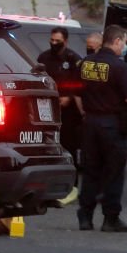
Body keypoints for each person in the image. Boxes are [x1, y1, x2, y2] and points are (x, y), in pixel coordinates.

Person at [77, 25, 127, 232]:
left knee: (90, 170)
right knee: (113, 172)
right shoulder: (120, 68)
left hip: (90, 122)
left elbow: (77, 90)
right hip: (112, 124)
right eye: (125, 42)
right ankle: (110, 219)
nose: (125, 46)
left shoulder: (86, 63)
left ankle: (85, 216)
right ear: (118, 41)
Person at [37, 27, 83, 197]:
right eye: (52, 40)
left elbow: (79, 84)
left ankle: (72, 187)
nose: (54, 43)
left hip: (69, 113)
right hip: (48, 110)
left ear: (65, 41)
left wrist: (69, 97)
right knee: (47, 148)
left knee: (69, 148)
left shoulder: (73, 60)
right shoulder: (44, 58)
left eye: (57, 41)